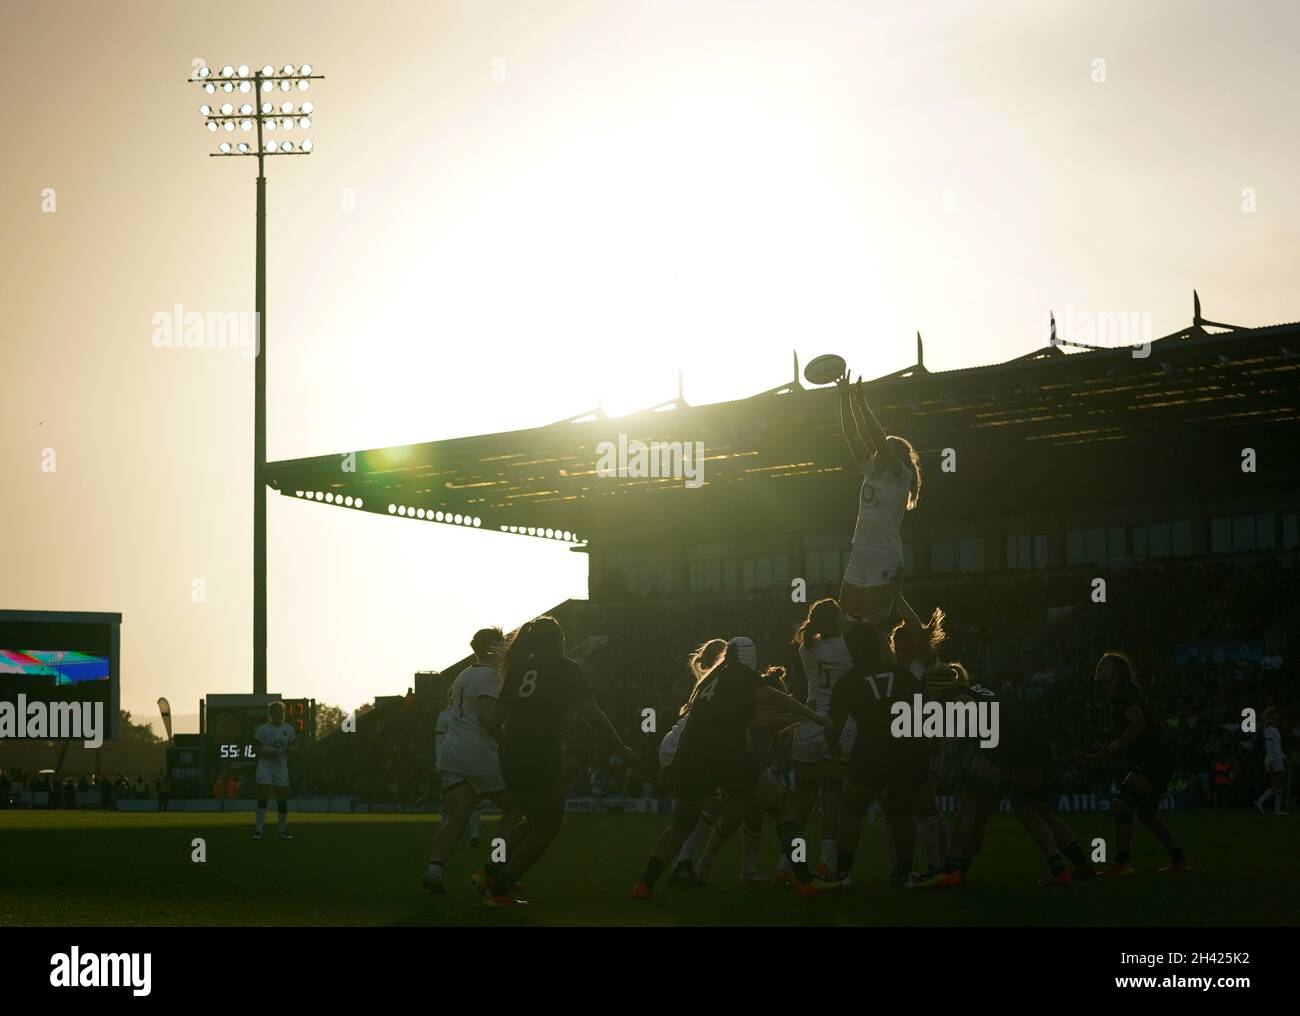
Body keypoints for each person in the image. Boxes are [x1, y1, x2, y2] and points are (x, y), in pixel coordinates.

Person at [633, 637, 839, 900]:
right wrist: (815, 716)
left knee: (682, 824)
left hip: (690, 756)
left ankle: (644, 884)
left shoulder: (707, 680)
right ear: (749, 657)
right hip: (725, 755)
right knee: (782, 806)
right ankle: (805, 880)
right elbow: (771, 697)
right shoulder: (742, 676)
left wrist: (676, 763)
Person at [478, 615, 638, 908]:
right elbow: (593, 714)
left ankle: (489, 872)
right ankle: (500, 889)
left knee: (534, 820)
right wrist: (621, 746)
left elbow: (493, 724)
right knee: (548, 827)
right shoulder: (565, 669)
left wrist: (512, 747)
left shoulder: (518, 668)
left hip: (511, 753)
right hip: (540, 754)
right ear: (557, 642)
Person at [918, 663, 1097, 888]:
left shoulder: (956, 695)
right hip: (1031, 736)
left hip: (1004, 741)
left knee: (971, 805)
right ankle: (1072, 866)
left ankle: (953, 870)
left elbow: (968, 708)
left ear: (936, 686)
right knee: (1031, 809)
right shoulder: (978, 684)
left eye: (925, 690)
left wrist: (942, 737)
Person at [826, 621, 931, 889]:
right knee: (902, 813)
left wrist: (834, 746)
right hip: (907, 749)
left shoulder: (848, 681)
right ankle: (904, 875)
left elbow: (833, 726)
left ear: (851, 650)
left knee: (850, 810)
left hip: (870, 750)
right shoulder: (902, 674)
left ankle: (844, 874)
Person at [423, 627, 526, 895]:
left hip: (452, 753)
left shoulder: (464, 674)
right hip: (478, 753)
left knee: (457, 819)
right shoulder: (491, 676)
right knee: (514, 810)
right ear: (495, 647)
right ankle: (496, 869)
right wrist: (508, 742)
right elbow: (485, 714)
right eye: (503, 642)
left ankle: (433, 873)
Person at [1074, 652, 1192, 876]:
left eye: (1104, 664)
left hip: (1154, 760)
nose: (1098, 667)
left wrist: (1112, 749)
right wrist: (1097, 756)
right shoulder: (1121, 695)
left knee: (1121, 804)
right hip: (1158, 759)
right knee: (1147, 815)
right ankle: (1181, 860)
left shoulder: (1123, 694)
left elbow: (1137, 723)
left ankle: (1122, 863)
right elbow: (1126, 736)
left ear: (1117, 671)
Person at [835, 372, 921, 627]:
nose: (878, 451)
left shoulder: (900, 475)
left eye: (885, 449)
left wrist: (862, 404)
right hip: (859, 553)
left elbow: (879, 442)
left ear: (898, 457)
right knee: (846, 622)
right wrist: (844, 399)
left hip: (884, 556)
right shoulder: (871, 469)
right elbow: (852, 435)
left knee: (872, 626)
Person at [783, 597, 856, 884]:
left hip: (809, 723)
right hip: (839, 724)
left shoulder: (806, 648)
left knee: (802, 799)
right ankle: (826, 863)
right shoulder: (849, 648)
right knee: (832, 800)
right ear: (837, 620)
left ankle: (786, 864)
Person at [655, 638, 727, 887]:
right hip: (684, 749)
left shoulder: (706, 682)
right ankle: (679, 866)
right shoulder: (720, 683)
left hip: (677, 746)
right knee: (692, 817)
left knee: (703, 809)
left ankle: (679, 866)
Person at [252, 701, 297, 840]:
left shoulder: (288, 729)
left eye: (280, 712)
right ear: (270, 714)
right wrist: (267, 752)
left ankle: (283, 830)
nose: (278, 714)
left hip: (281, 767)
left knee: (282, 799)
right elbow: (255, 748)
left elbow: (296, 747)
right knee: (263, 796)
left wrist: (287, 750)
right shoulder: (263, 729)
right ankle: (259, 830)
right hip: (265, 766)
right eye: (275, 712)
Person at [1254, 706, 1288, 816]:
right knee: (1278, 782)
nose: (1277, 719)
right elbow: (1269, 746)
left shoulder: (1274, 730)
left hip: (1277, 757)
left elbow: (1277, 746)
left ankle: (1264, 804)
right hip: (1274, 759)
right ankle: (1271, 807)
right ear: (1272, 718)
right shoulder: (1269, 730)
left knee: (1277, 783)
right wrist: (1272, 759)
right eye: (1275, 717)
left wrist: (1283, 756)